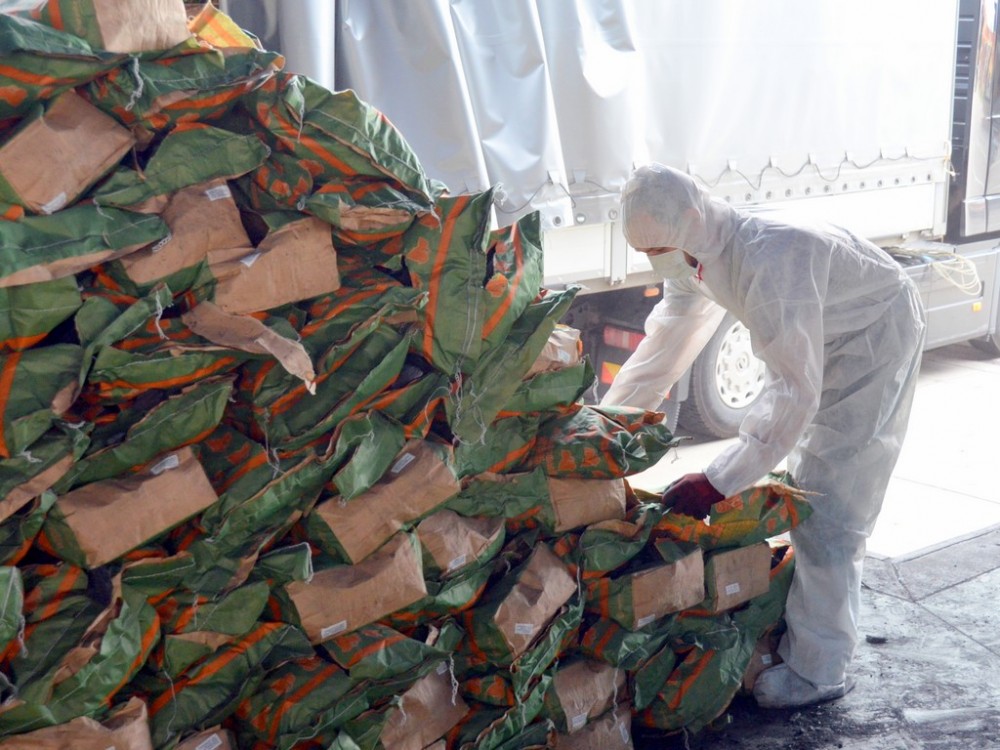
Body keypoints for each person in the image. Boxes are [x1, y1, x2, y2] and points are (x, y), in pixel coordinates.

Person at [601, 163, 926, 709]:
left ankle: (821, 670)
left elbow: (793, 392)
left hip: (874, 341)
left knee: (832, 507)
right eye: (647, 252)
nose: (656, 260)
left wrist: (716, 480)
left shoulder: (772, 260)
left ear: (691, 219)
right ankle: (808, 630)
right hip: (830, 336)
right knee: (809, 488)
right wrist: (608, 426)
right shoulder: (698, 251)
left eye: (658, 249)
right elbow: (668, 339)